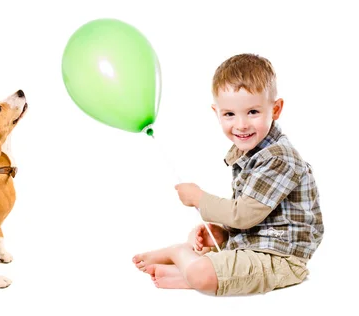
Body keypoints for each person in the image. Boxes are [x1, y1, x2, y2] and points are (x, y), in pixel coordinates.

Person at [132, 53, 324, 296]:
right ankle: (187, 272)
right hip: (254, 247)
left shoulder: (278, 158)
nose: (241, 124)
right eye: (229, 114)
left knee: (202, 273)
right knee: (206, 261)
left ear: (275, 109)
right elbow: (252, 214)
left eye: (253, 112)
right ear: (217, 112)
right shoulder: (250, 153)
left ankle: (179, 255)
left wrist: (199, 199)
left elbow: (244, 214)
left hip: (282, 258)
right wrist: (224, 233)